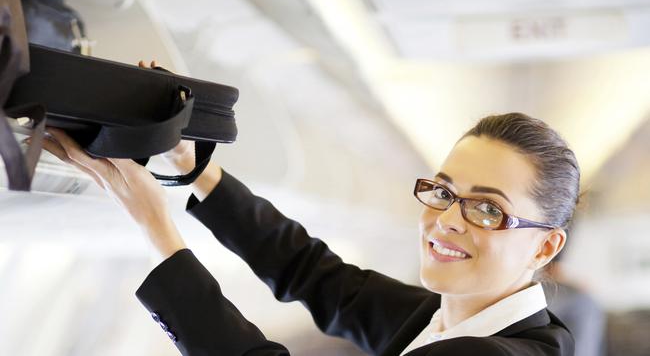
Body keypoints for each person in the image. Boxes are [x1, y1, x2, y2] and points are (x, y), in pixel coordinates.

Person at [38, 112, 578, 355]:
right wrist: (192, 166)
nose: (448, 218)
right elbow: (312, 273)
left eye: (487, 209)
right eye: (442, 190)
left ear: (545, 244)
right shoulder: (447, 320)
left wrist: (155, 225)